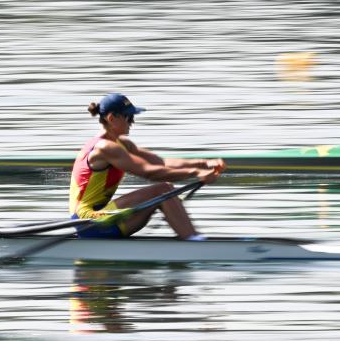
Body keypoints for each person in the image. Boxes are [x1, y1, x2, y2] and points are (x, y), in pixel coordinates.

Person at [69, 93, 224, 240]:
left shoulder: (122, 143)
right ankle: (195, 243)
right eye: (129, 117)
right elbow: (149, 172)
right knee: (162, 189)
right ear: (111, 118)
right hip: (87, 222)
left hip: (102, 217)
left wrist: (203, 163)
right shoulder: (105, 148)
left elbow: (160, 163)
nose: (132, 122)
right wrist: (196, 173)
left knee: (166, 189)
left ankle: (193, 239)